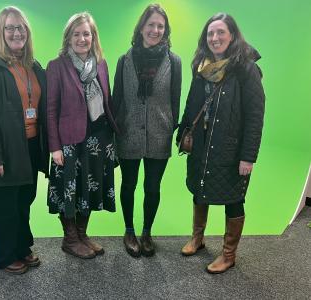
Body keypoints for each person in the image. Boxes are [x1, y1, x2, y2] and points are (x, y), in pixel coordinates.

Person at [177, 12, 265, 274]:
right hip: (202, 144)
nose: (214, 38)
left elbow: (255, 116)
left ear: (232, 35)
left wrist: (248, 157)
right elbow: (192, 104)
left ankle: (228, 255)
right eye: (210, 34)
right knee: (199, 188)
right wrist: (183, 131)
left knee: (233, 199)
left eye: (220, 33)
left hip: (231, 149)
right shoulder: (201, 66)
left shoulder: (247, 69)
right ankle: (197, 238)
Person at [0, 6, 49, 275]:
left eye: (21, 28)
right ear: (1, 32)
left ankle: (21, 247)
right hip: (4, 149)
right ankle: (3, 256)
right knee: (4, 205)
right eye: (10, 28)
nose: (16, 33)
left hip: (30, 146)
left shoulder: (34, 67)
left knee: (24, 200)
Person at [46, 12, 118, 259]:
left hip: (98, 139)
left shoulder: (101, 64)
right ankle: (70, 239)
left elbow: (107, 101)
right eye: (76, 34)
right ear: (68, 37)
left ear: (93, 36)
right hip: (68, 142)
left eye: (86, 33)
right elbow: (51, 109)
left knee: (90, 188)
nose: (82, 38)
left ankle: (82, 234)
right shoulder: (56, 66)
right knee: (68, 189)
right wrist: (54, 147)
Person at [112, 4, 182, 258]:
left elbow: (175, 99)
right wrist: (114, 131)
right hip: (128, 133)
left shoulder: (174, 62)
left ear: (165, 31)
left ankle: (146, 232)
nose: (155, 30)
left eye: (160, 26)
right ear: (141, 27)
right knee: (128, 185)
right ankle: (129, 231)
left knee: (152, 187)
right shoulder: (125, 60)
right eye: (150, 25)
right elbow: (116, 99)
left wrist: (169, 126)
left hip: (159, 135)